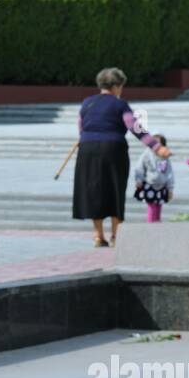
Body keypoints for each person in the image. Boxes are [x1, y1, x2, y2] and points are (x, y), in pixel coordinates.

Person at [72, 67, 171, 247]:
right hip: (113, 149)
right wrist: (156, 147)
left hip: (87, 149)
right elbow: (134, 126)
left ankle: (98, 236)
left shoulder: (87, 103)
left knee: (94, 190)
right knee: (115, 190)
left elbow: (81, 125)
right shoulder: (120, 105)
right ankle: (116, 236)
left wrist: (84, 138)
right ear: (116, 86)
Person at [134, 134, 174, 223]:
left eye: (158, 144)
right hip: (149, 185)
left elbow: (169, 174)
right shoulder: (146, 154)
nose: (156, 146)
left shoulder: (165, 157)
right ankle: (151, 226)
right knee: (152, 208)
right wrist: (138, 180)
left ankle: (157, 225)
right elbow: (139, 167)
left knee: (159, 207)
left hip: (162, 186)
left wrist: (170, 189)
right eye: (153, 143)